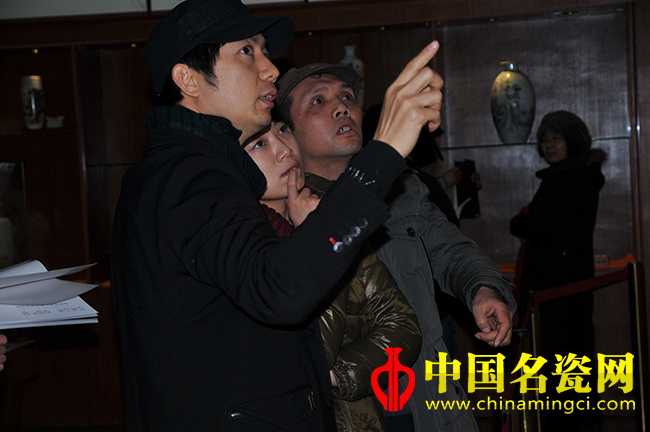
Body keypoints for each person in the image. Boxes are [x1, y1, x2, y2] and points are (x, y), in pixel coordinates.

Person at [109, 0, 444, 430]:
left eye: (265, 51)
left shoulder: (191, 169)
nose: (270, 69)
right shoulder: (188, 174)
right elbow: (279, 291)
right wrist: (382, 154)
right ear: (188, 79)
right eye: (247, 51)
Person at [275, 64, 517, 432]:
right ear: (287, 132)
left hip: (423, 396)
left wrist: (483, 288)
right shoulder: (280, 209)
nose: (341, 107)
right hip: (347, 410)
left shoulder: (402, 188)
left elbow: (450, 248)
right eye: (318, 101)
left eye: (346, 96)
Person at [243, 117, 422, 431]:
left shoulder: (333, 213)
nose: (284, 149)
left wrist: (340, 376)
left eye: (283, 130)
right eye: (259, 143)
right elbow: (297, 359)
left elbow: (403, 326)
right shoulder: (239, 244)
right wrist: (313, 240)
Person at [510, 110, 606, 432]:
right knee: (576, 355)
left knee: (558, 357)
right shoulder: (582, 175)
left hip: (556, 285)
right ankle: (583, 421)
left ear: (571, 141)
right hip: (573, 282)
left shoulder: (564, 178)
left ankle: (566, 423)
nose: (549, 145)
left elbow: (535, 223)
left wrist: (518, 221)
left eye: (556, 138)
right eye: (544, 140)